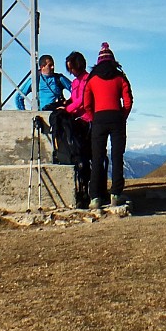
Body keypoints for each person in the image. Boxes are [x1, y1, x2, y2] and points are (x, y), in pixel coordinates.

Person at [83, 42, 133, 209]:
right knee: (117, 156)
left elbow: (86, 103)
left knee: (97, 157)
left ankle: (95, 197)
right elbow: (128, 101)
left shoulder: (92, 79)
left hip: (98, 119)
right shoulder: (120, 77)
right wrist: (122, 116)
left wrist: (93, 117)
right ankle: (116, 194)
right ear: (113, 60)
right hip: (116, 118)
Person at [63, 51, 94, 197]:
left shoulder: (88, 79)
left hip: (87, 120)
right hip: (76, 119)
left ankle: (88, 186)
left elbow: (82, 100)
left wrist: (68, 109)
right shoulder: (75, 82)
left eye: (72, 68)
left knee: (86, 154)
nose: (71, 72)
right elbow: (74, 98)